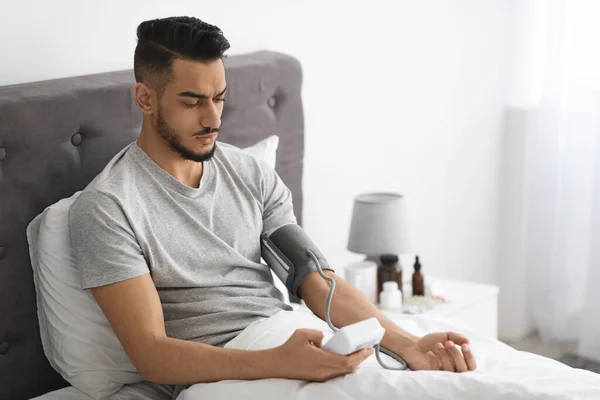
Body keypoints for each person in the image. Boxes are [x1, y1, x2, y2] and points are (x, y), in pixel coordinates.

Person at [69, 16, 476, 400]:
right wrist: (276, 362)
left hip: (289, 334)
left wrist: (408, 343)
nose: (213, 118)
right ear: (145, 97)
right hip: (223, 374)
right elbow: (152, 355)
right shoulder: (108, 207)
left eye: (219, 98)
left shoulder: (252, 174)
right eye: (192, 102)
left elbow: (316, 280)